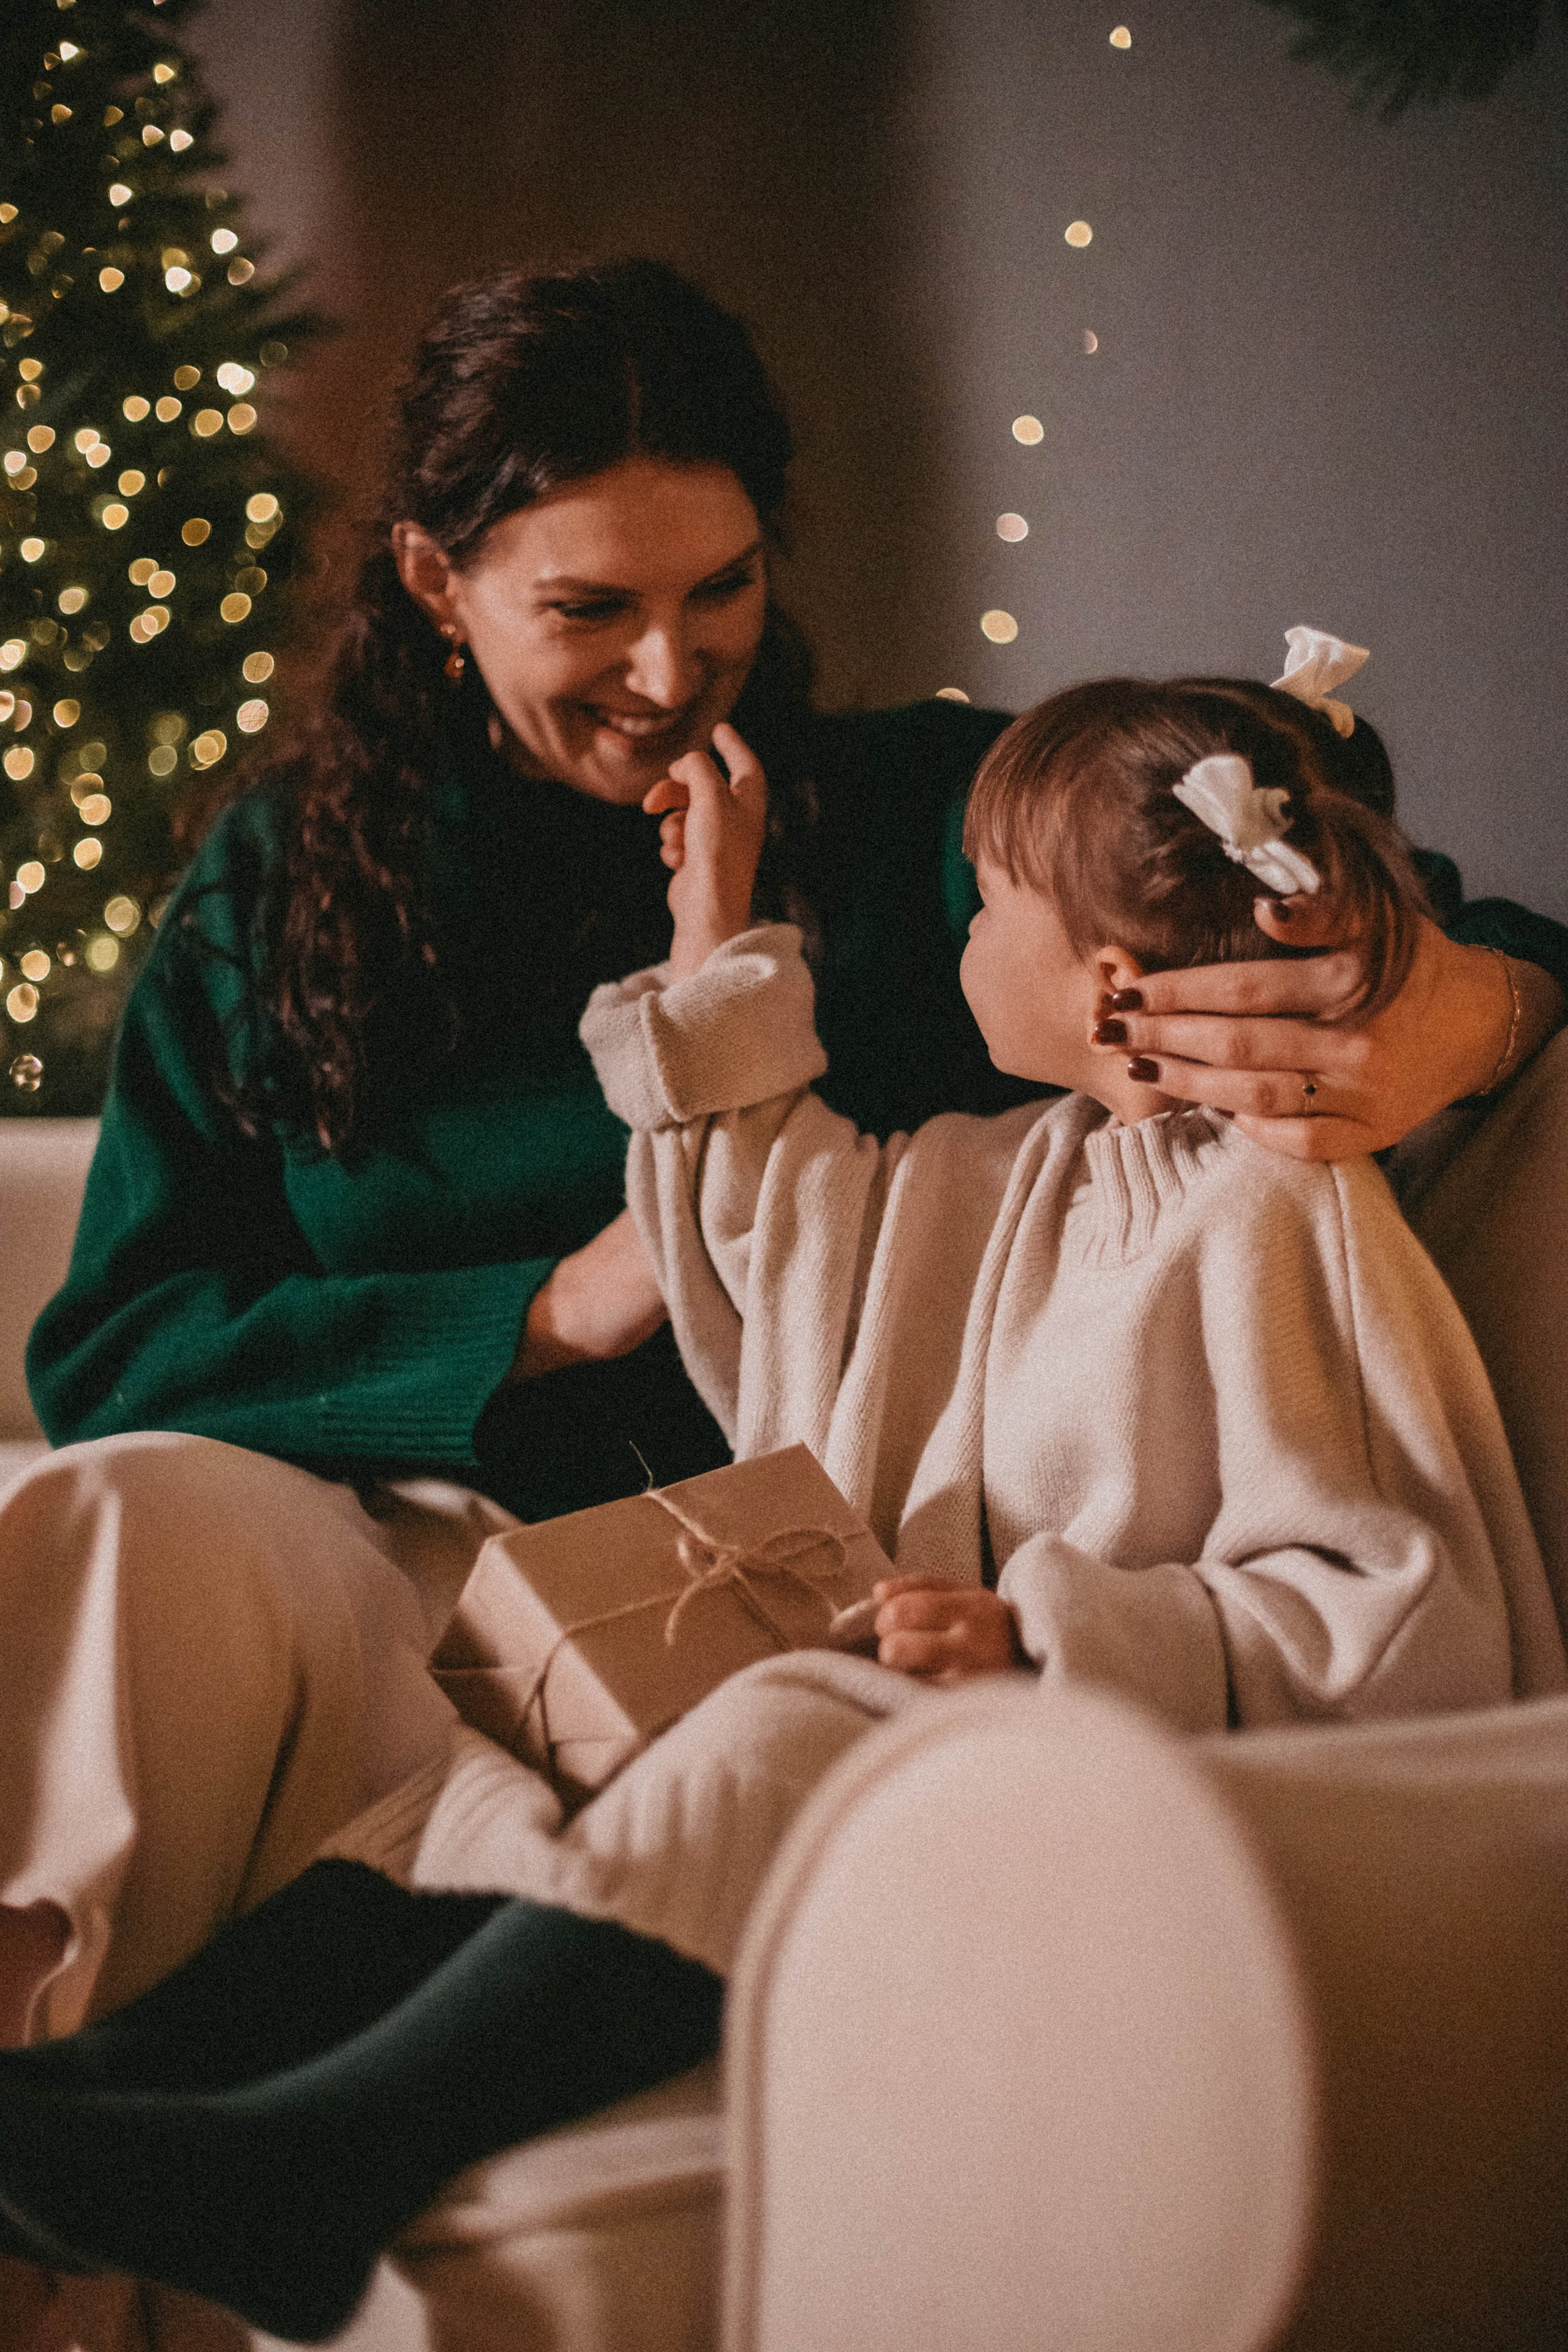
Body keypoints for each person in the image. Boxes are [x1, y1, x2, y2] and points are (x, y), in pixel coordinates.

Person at [0, 665, 1561, 2344]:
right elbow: (778, 1200)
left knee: (788, 1719)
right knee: (499, 1766)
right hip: (910, 1716)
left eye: (995, 907)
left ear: (1110, 991)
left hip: (1087, 1770)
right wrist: (713, 922)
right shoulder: (1005, 1169)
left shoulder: (1278, 1222)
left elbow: (1394, 1602)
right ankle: (136, 2080)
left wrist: (1042, 1633)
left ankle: (323, 2156)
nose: (959, 934)